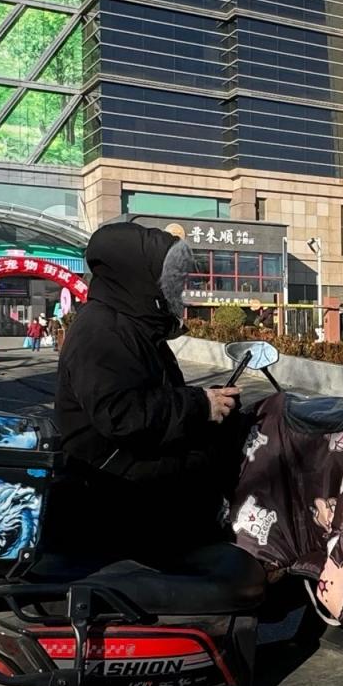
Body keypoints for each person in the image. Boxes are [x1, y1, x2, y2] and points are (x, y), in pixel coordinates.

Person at [54, 222, 242, 568]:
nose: (179, 289)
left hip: (131, 468)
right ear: (140, 276)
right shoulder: (103, 331)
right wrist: (200, 404)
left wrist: (209, 401)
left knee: (233, 439)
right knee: (219, 470)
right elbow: (122, 414)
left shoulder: (135, 327)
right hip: (112, 485)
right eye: (171, 279)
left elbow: (156, 396)